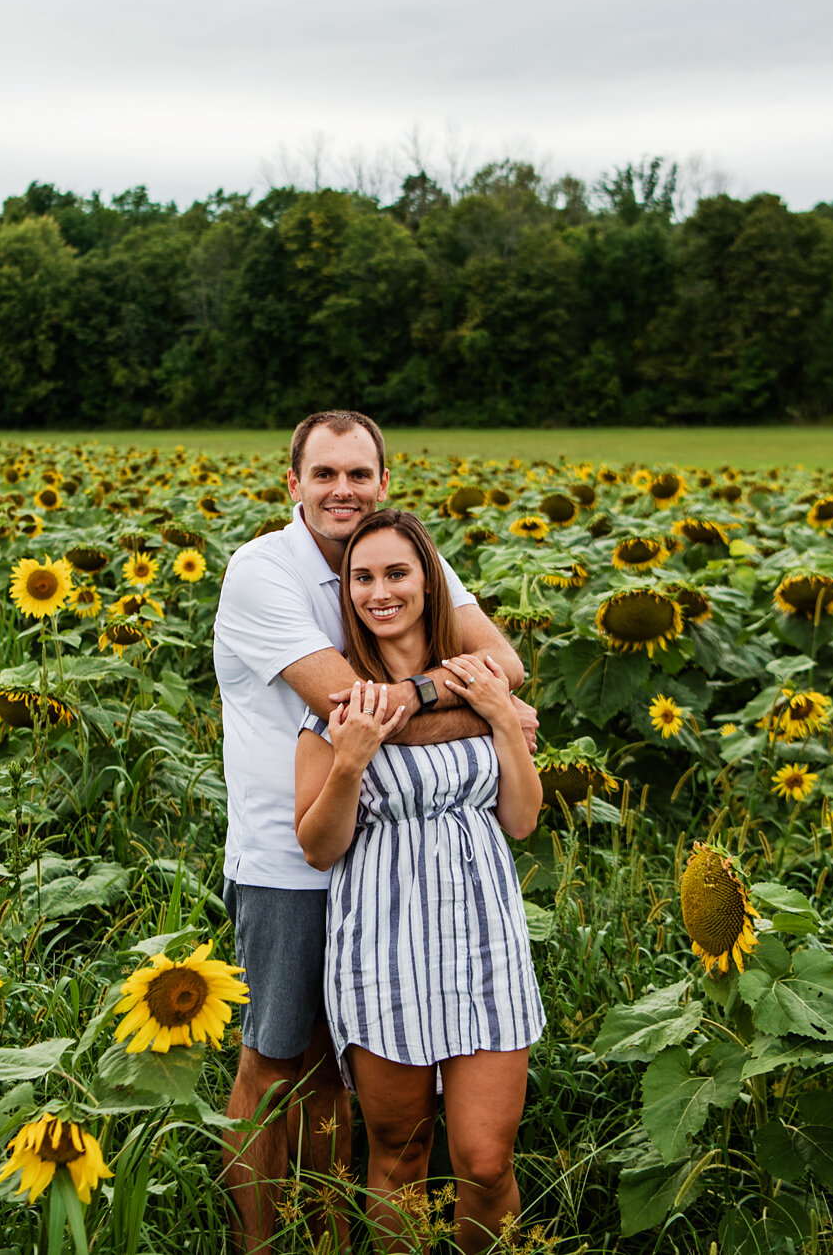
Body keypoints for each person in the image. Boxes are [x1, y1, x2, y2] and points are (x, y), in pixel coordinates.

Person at [212, 411, 534, 1253]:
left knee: (344, 1087)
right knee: (278, 1064)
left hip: (402, 874)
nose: (343, 490)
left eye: (359, 474)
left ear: (384, 481)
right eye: (325, 474)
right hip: (293, 856)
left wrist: (450, 696)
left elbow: (506, 665)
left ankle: (327, 1236)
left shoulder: (400, 552)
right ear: (295, 485)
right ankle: (258, 1242)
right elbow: (351, 708)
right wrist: (477, 707)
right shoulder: (262, 571)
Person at [293, 509, 544, 1254]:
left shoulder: (477, 680)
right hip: (384, 946)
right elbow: (317, 846)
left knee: (484, 1159)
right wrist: (350, 759)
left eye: (396, 573)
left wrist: (501, 716)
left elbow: (523, 818)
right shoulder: (341, 705)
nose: (380, 592)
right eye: (362, 577)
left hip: (484, 938)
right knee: (400, 1153)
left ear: (428, 583)